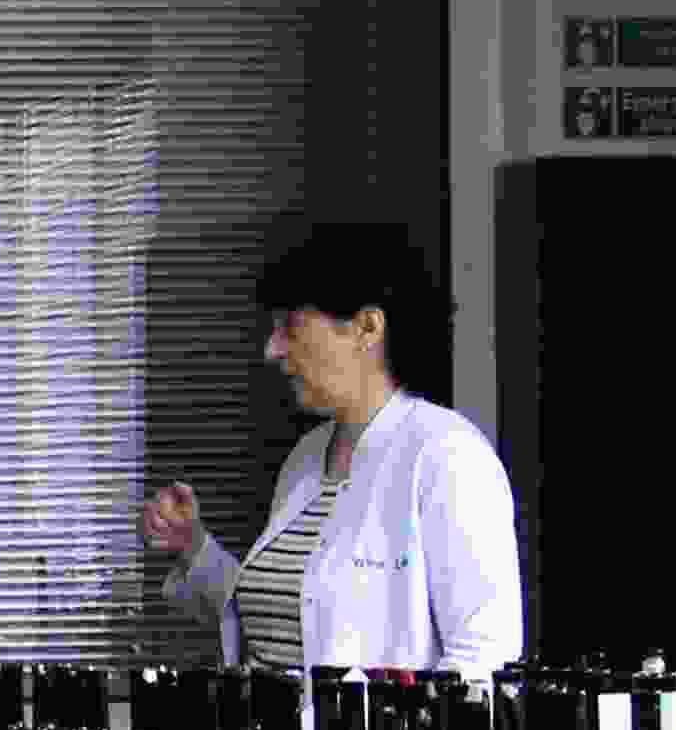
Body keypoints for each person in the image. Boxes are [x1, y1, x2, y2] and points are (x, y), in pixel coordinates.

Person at [140, 223, 522, 673]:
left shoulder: (447, 456)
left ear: (367, 327)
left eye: (289, 326)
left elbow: (484, 654)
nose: (271, 350)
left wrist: (387, 721)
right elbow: (292, 623)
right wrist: (194, 547)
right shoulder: (305, 458)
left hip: (375, 724)